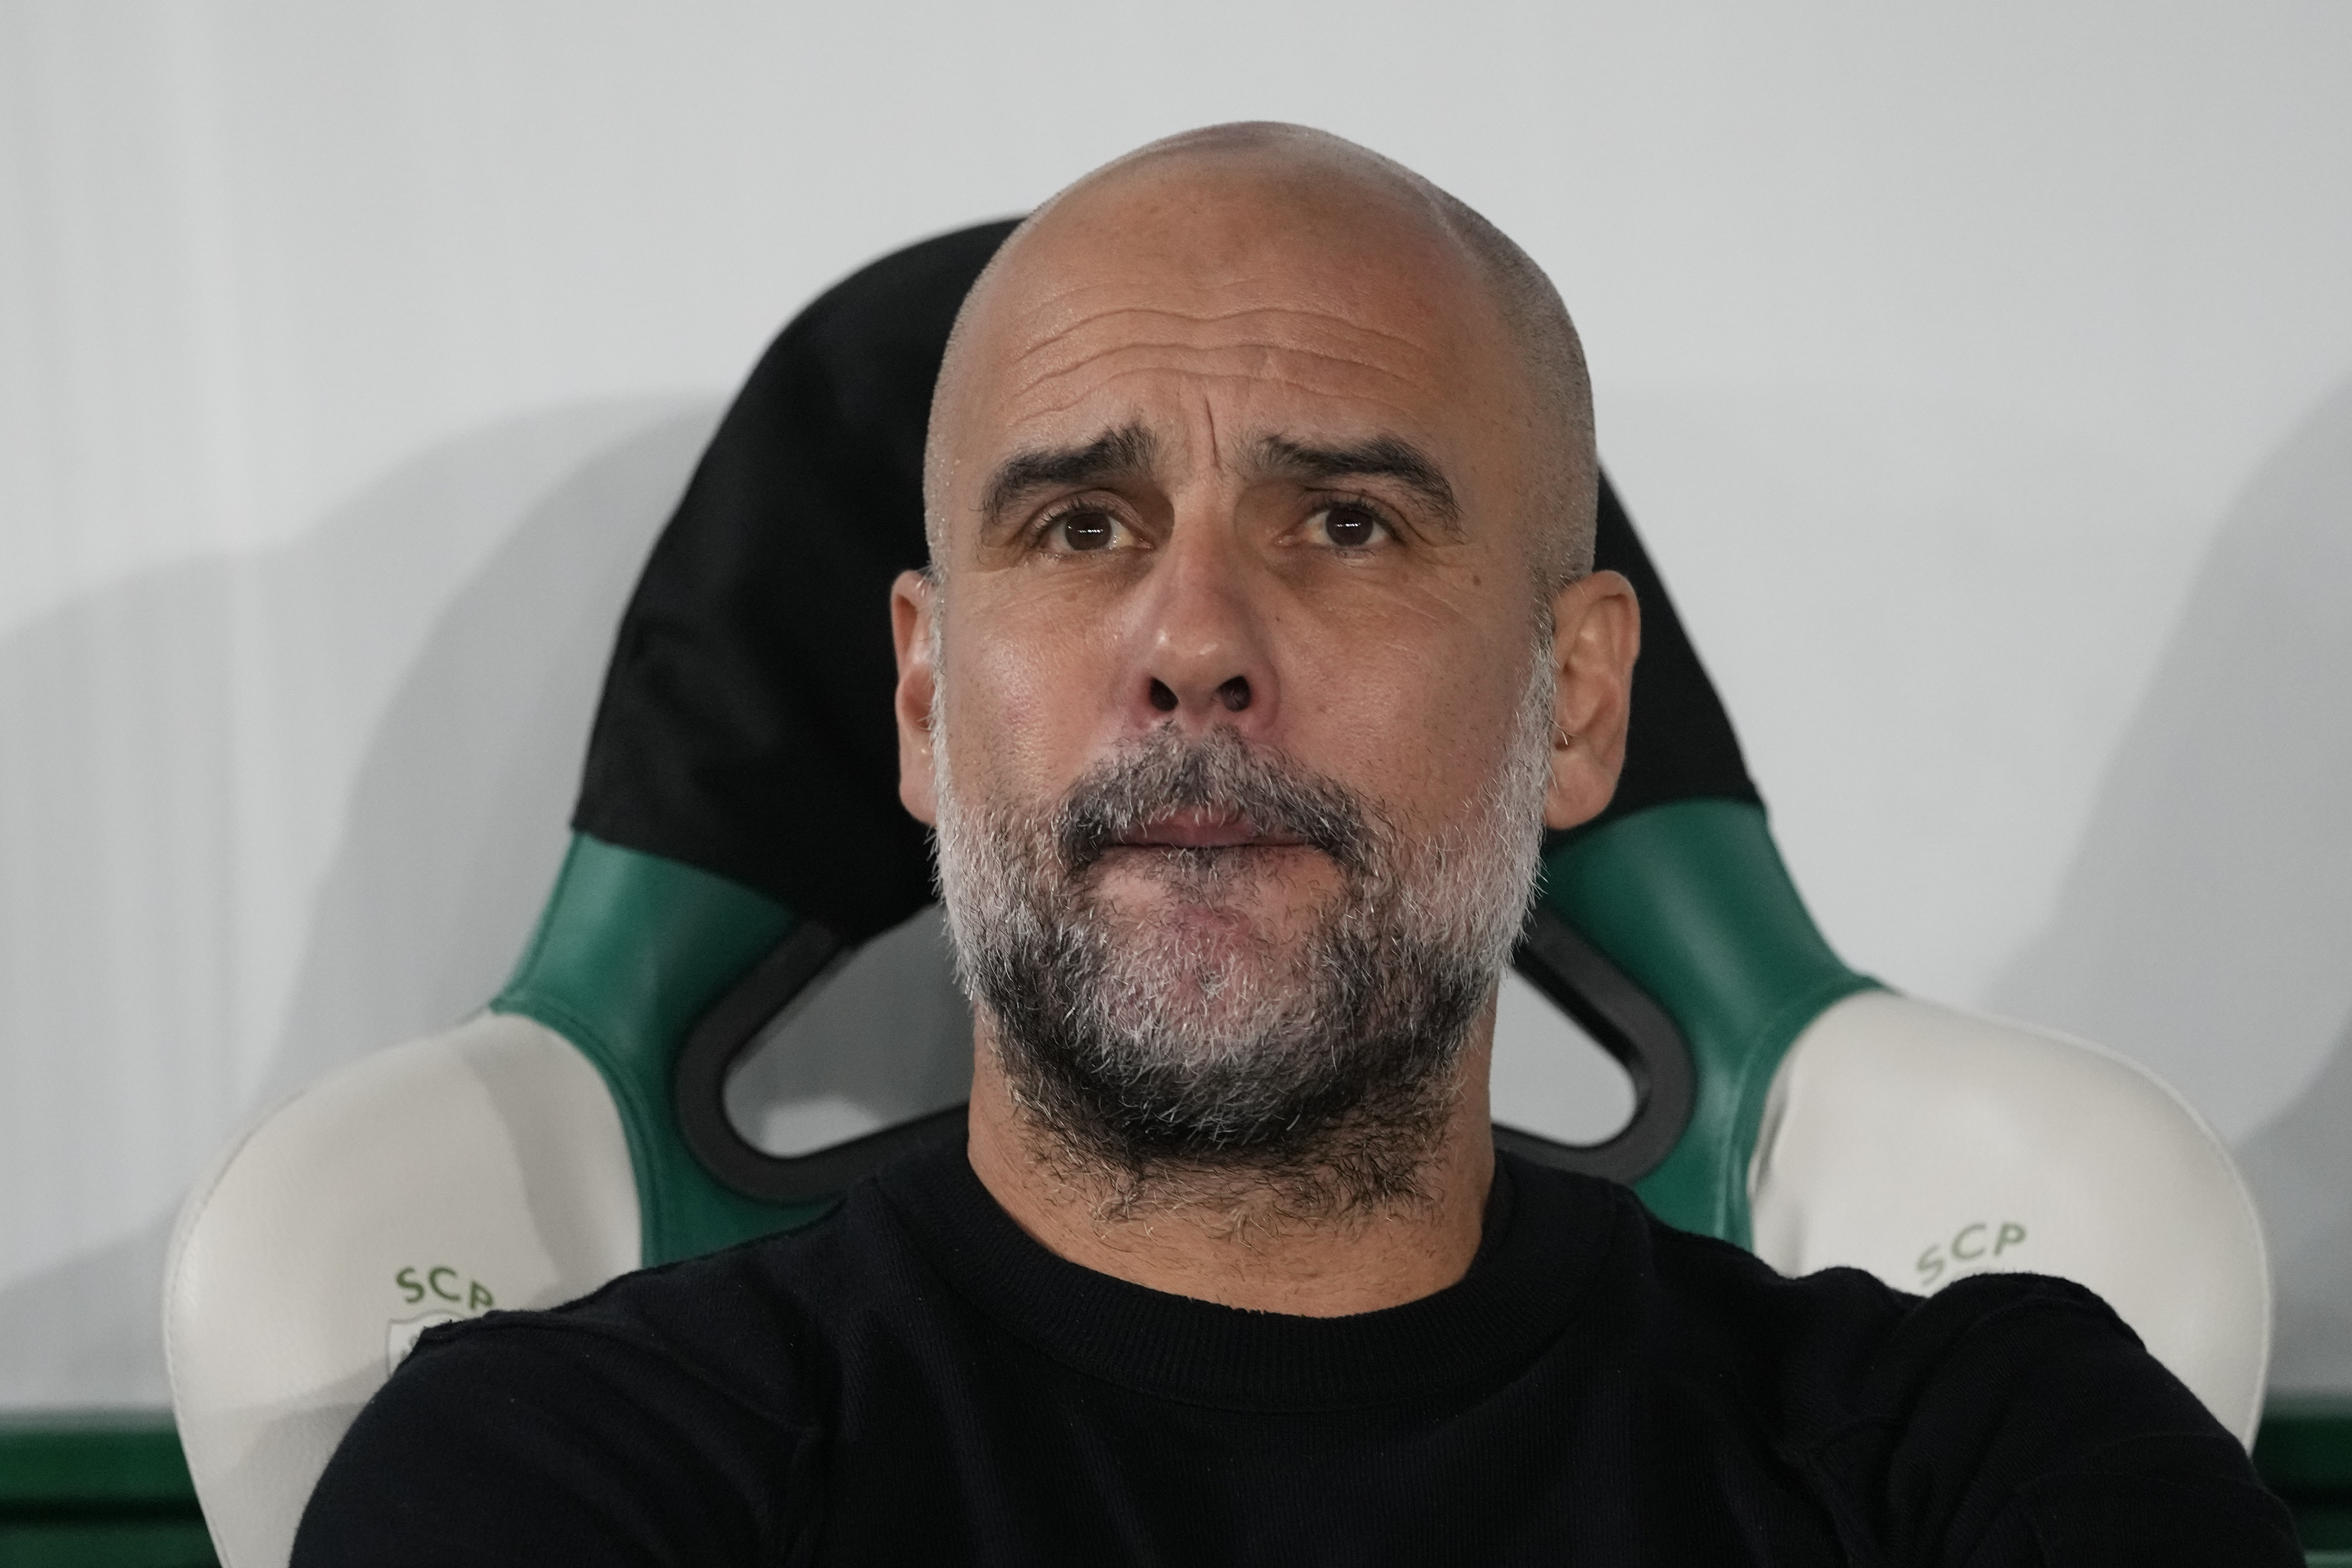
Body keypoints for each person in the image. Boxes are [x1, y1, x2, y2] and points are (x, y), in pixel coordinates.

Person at [292, 124, 2297, 1565]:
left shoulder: (1984, 1460)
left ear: (1576, 699)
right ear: (921, 694)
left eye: (1346, 524)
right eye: (1080, 528)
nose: (1193, 649)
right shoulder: (563, 1477)